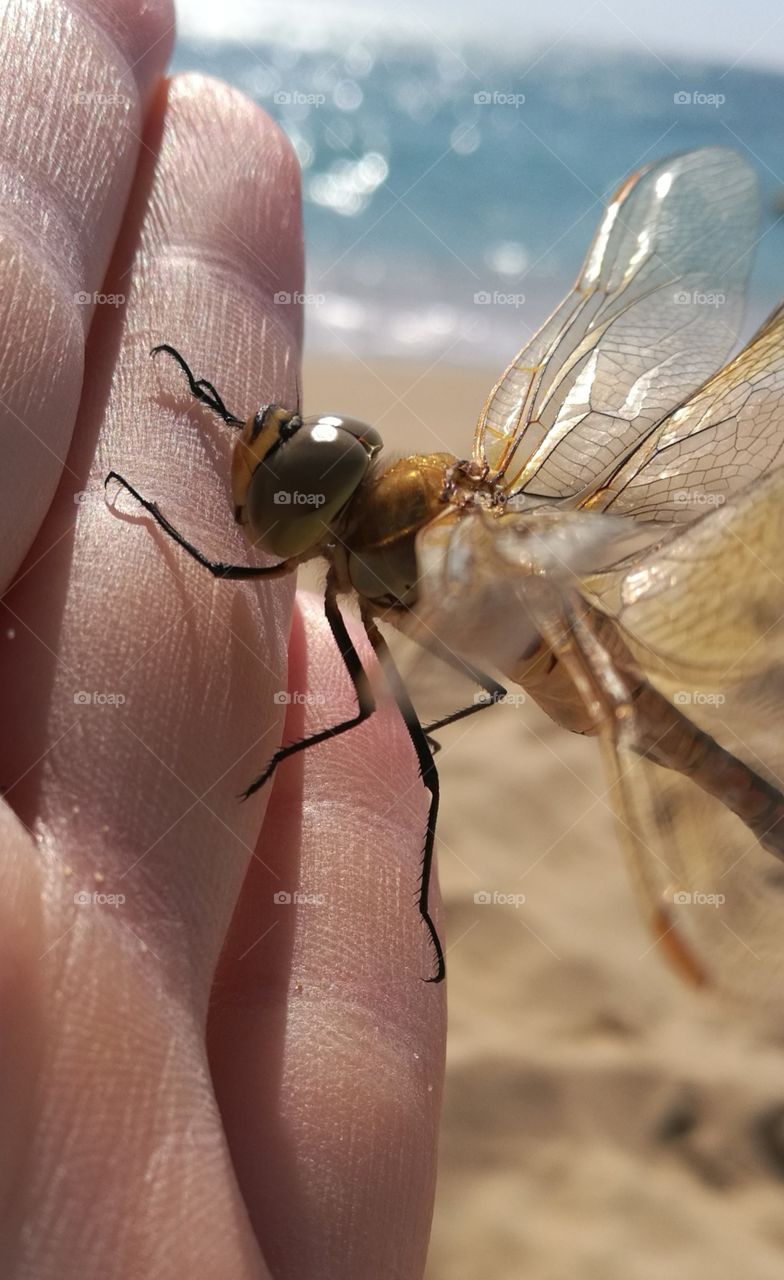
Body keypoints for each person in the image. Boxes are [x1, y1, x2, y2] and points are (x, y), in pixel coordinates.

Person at [0, 2, 445, 1276]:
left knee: (404, 744)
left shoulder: (360, 544)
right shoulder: (350, 515)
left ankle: (406, 911)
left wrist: (149, 511)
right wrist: (215, 418)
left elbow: (245, 575)